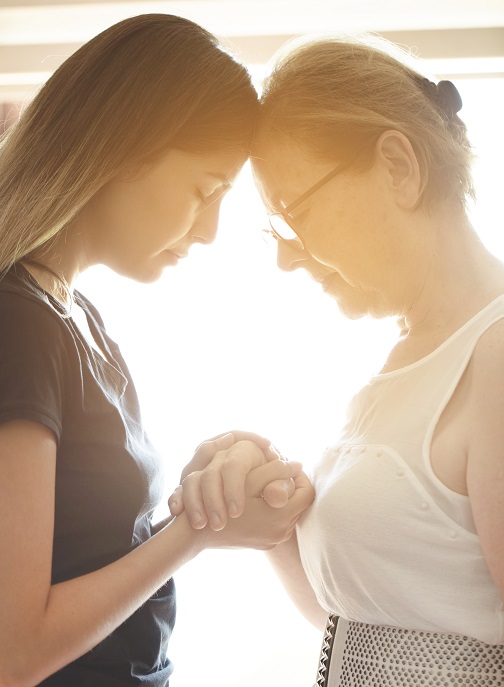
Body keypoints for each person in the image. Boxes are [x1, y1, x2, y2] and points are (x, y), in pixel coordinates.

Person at [0, 14, 315, 687]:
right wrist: (193, 532)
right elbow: (9, 656)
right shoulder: (18, 325)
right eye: (205, 189)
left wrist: (194, 495)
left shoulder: (75, 317)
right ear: (123, 151)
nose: (211, 229)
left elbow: (78, 549)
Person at [172, 36, 504, 685]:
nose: (286, 258)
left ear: (398, 167)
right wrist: (266, 507)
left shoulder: (494, 359)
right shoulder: (403, 365)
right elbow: (351, 617)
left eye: (293, 217)